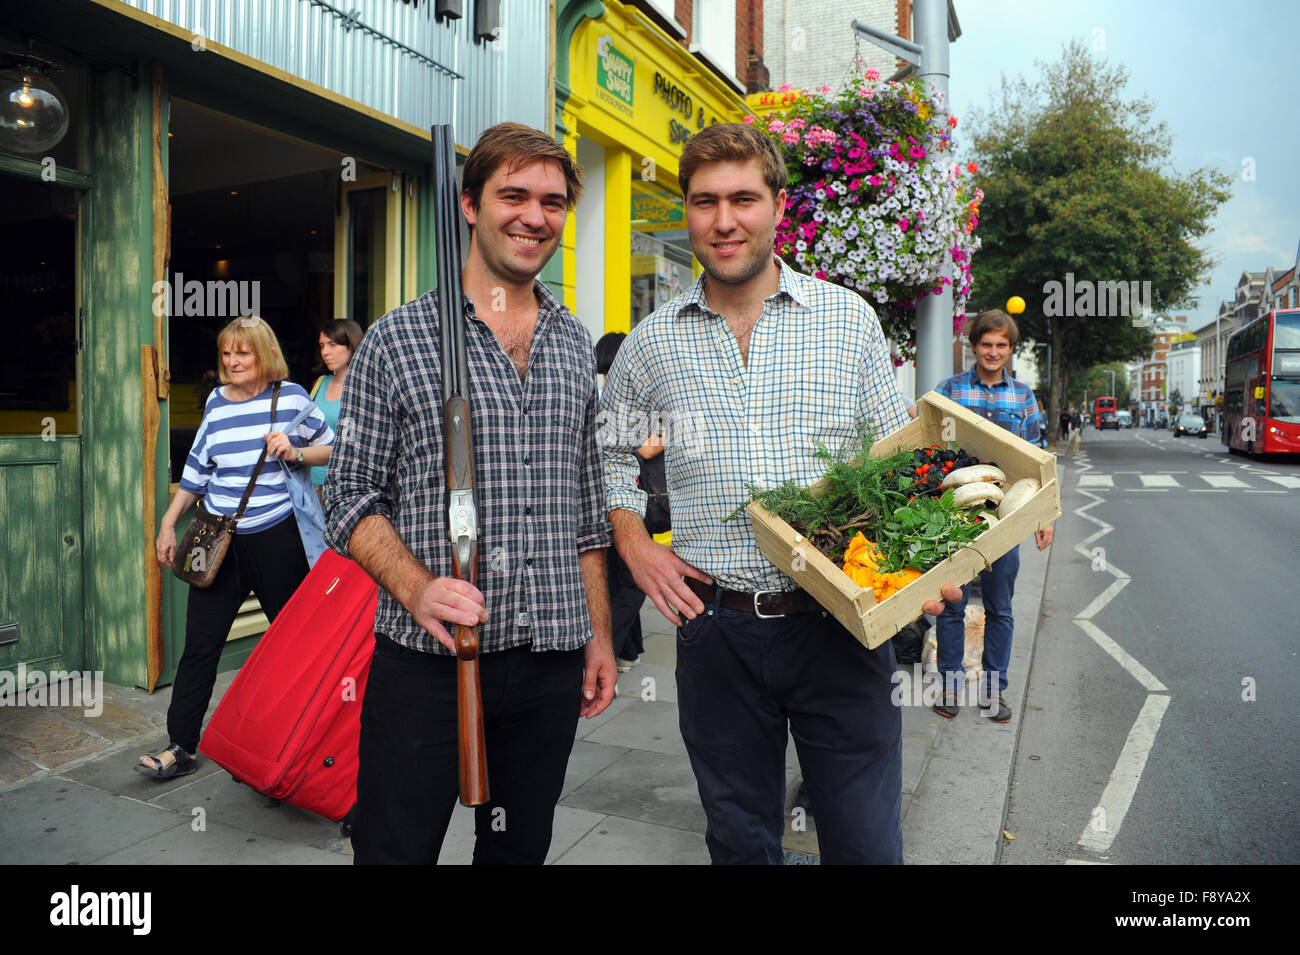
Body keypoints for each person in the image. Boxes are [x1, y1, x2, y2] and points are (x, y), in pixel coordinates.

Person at [599, 123, 961, 865]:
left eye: (743, 198)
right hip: (716, 626)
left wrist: (920, 570)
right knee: (740, 840)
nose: (723, 220)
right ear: (688, 211)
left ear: (779, 206)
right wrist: (635, 544)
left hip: (840, 621)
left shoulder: (847, 321)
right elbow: (608, 455)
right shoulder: (650, 343)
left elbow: (900, 466)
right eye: (704, 202)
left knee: (863, 843)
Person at [323, 122, 615, 865]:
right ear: (468, 205)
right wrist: (420, 590)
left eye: (552, 201)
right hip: (426, 659)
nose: (533, 216)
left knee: (517, 853)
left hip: (549, 656)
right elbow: (349, 496)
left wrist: (601, 636)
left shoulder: (575, 343)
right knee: (394, 850)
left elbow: (587, 510)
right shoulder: (397, 339)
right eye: (512, 194)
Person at [140, 316, 334, 778]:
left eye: (242, 353)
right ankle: (180, 745)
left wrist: (294, 449)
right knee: (200, 647)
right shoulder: (215, 401)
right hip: (217, 536)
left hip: (276, 537)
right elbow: (197, 470)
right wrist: (169, 523)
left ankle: (304, 747)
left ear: (264, 354)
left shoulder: (289, 398)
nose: (232, 362)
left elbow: (336, 447)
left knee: (296, 646)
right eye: (227, 354)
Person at [932, 310, 1054, 723]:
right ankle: (949, 687)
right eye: (987, 344)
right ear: (974, 347)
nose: (993, 352)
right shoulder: (949, 389)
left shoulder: (1023, 396)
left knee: (1000, 607)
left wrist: (1044, 517)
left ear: (1010, 349)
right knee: (952, 604)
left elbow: (1037, 459)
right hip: (956, 514)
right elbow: (932, 445)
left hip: (1006, 516)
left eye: (1002, 345)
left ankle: (993, 692)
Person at [594, 331, 668, 671]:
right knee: (625, 582)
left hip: (639, 501)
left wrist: (616, 440)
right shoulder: (606, 397)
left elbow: (649, 446)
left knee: (624, 581)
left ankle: (619, 649)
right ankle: (620, 650)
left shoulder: (653, 397)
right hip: (614, 498)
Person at [309, 318, 364, 491]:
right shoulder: (320, 383)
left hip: (347, 483)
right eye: (322, 345)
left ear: (351, 344)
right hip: (312, 481)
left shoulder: (364, 387)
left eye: (332, 344)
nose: (325, 352)